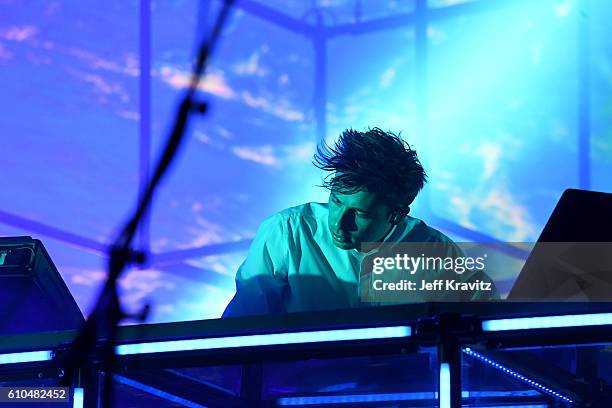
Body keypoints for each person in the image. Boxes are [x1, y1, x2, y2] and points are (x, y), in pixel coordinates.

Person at [223, 128, 499, 317]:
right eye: (336, 201)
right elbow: (240, 328)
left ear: (397, 214)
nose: (339, 222)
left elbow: (490, 324)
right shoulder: (288, 232)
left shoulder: (435, 252)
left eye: (361, 214)